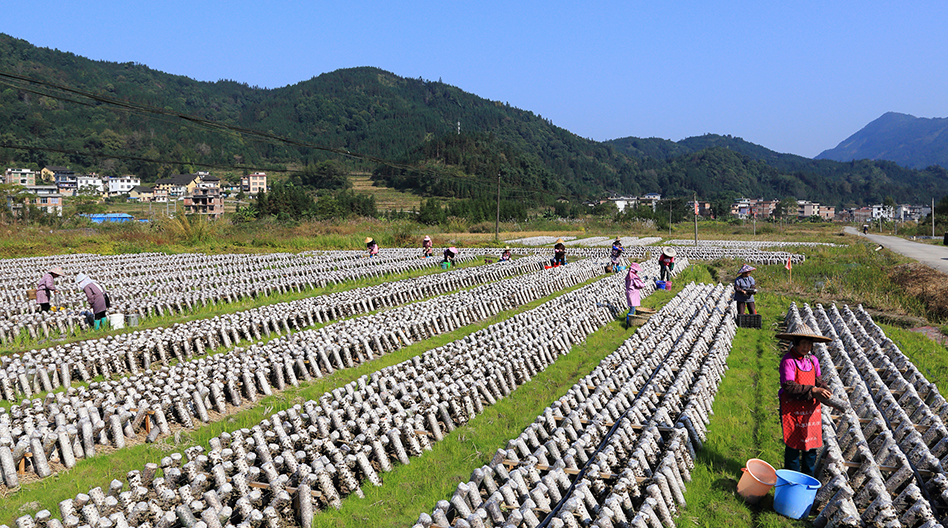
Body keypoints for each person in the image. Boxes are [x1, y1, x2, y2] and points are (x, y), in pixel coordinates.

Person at [776, 322, 834, 476]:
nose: (806, 347)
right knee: (793, 446)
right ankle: (792, 479)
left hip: (810, 409)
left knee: (811, 446)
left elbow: (818, 380)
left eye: (809, 344)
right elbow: (788, 386)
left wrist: (826, 391)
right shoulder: (788, 361)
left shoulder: (813, 360)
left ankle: (808, 478)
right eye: (802, 343)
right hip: (792, 409)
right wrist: (813, 390)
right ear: (795, 343)